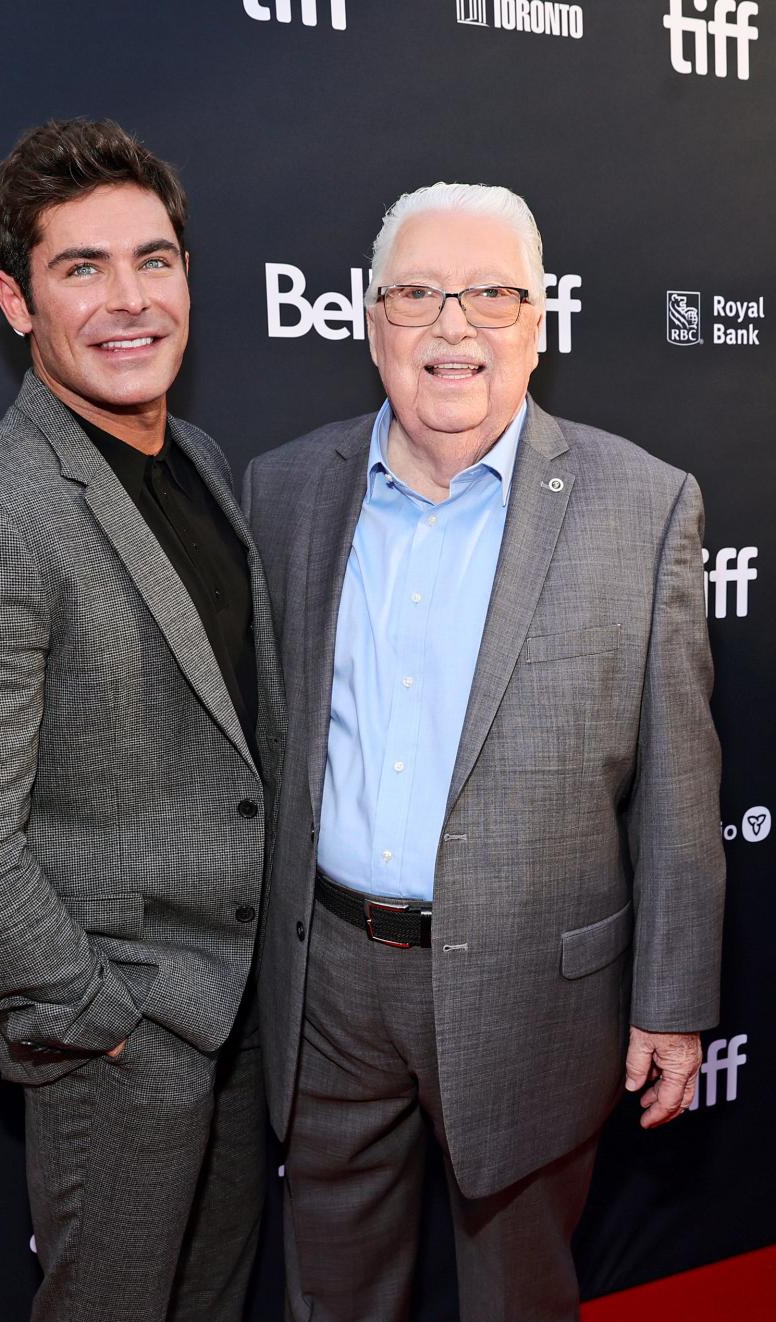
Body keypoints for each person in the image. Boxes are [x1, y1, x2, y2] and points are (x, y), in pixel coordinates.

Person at [242, 181, 725, 1322]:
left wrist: (673, 998)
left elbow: (679, 787)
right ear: (369, 323)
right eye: (417, 294)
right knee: (335, 1288)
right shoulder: (283, 490)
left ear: (539, 321)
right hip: (329, 987)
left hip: (533, 989)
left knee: (520, 1292)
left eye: (491, 294)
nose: (453, 327)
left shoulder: (643, 504)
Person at [0, 118, 284, 1322]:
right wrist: (106, 1027)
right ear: (17, 300)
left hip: (242, 1009)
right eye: (81, 268)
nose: (130, 301)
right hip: (124, 1039)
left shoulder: (200, 457)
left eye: (154, 261)